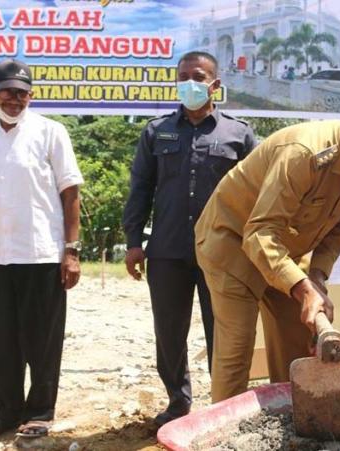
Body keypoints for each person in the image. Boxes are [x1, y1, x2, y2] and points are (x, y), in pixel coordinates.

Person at [195, 79, 340, 402]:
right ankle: (223, 437)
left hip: (283, 252)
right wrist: (301, 286)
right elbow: (260, 232)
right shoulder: (304, 153)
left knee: (297, 350)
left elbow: (337, 232)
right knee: (237, 350)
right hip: (233, 240)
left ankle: (291, 428)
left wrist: (317, 279)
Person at [122, 51, 256, 426]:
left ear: (215, 84)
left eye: (198, 77)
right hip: (167, 249)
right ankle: (178, 402)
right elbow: (140, 188)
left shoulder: (239, 133)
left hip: (223, 252)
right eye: (183, 76)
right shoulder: (156, 131)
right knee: (169, 330)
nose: (189, 84)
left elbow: (255, 194)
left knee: (223, 330)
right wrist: (134, 241)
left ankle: (223, 404)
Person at [0, 58, 84, 445]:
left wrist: (72, 250)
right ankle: (6, 413)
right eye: (8, 91)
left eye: (22, 92)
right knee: (1, 342)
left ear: (32, 95)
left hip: (43, 255)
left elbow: (70, 192)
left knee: (42, 341)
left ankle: (40, 413)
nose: (15, 99)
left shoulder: (51, 132)